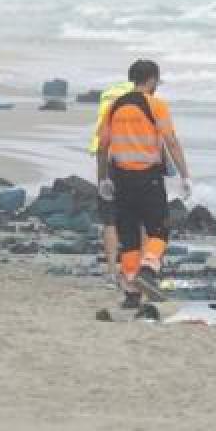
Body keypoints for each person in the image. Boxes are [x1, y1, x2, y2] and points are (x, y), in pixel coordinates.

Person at [95, 60, 191, 307]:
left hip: (120, 179)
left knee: (129, 238)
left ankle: (131, 294)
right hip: (148, 179)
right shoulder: (155, 105)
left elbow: (103, 147)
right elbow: (171, 141)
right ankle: (147, 272)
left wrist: (103, 179)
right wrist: (184, 176)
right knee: (159, 230)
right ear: (152, 80)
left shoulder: (114, 107)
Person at [89, 81, 134, 284]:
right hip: (134, 163)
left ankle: (111, 270)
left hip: (108, 162)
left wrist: (101, 179)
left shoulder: (108, 97)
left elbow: (100, 145)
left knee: (110, 221)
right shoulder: (141, 101)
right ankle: (136, 269)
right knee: (138, 219)